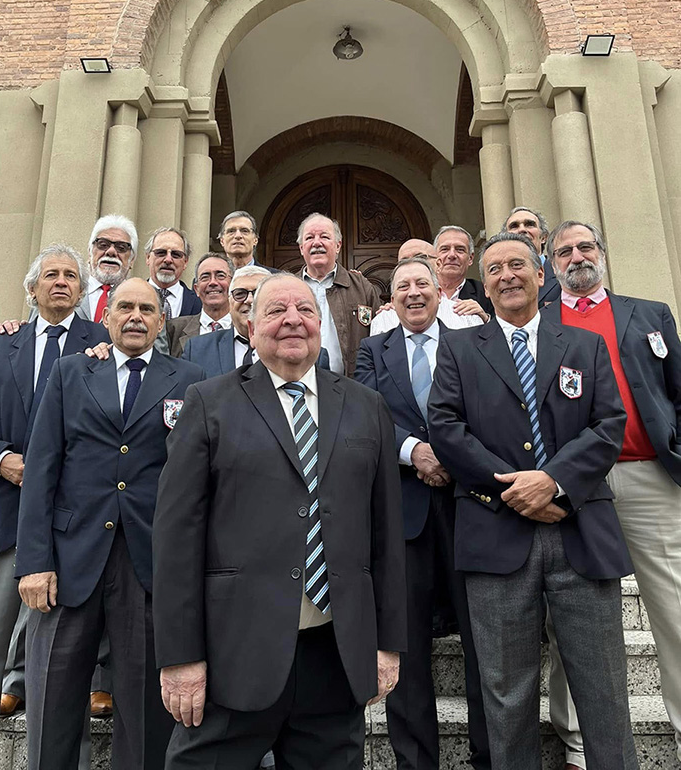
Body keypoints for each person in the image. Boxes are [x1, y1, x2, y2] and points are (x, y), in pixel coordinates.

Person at [153, 273, 407, 769]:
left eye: (305, 310)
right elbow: (176, 536)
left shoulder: (366, 406)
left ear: (319, 324)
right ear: (249, 325)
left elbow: (386, 535)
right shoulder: (209, 402)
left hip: (334, 655)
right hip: (234, 656)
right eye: (276, 311)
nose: (293, 320)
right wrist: (181, 657)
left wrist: (387, 644)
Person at [427, 231, 638, 770]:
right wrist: (515, 491)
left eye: (517, 264)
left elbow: (608, 424)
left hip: (581, 532)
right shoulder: (457, 347)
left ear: (541, 275)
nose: (506, 275)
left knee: (605, 691)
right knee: (506, 694)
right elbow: (446, 429)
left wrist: (554, 481)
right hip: (497, 537)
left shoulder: (584, 347)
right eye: (494, 268)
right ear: (485, 282)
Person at [14, 278, 204, 770]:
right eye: (125, 307)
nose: (136, 315)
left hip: (149, 564)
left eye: (147, 308)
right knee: (52, 703)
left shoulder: (190, 379)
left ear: (162, 321)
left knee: (145, 716)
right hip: (69, 562)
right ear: (107, 316)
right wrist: (34, 561)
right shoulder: (69, 372)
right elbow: (41, 469)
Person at [0, 245, 108, 770]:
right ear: (31, 289)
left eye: (71, 277)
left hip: (70, 526)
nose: (61, 283)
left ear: (83, 291)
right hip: (2, 516)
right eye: (50, 276)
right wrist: (5, 460)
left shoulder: (102, 344)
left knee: (63, 661)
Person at [543, 220, 681, 768]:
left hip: (649, 475)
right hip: (578, 486)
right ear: (550, 265)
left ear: (602, 251)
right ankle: (577, 744)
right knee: (571, 617)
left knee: (674, 609)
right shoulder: (540, 321)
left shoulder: (649, 314)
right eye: (564, 251)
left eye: (585, 246)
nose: (576, 256)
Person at [355, 257, 490, 770]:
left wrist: (453, 458)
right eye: (402, 286)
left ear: (441, 293)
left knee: (482, 640)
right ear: (390, 300)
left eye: (422, 284)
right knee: (405, 645)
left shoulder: (470, 346)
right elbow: (367, 416)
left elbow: (485, 412)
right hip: (402, 511)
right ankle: (415, 761)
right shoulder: (372, 351)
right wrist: (416, 452)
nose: (413, 293)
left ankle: (489, 753)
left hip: (470, 507)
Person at [181, 266, 332, 374]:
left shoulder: (312, 354)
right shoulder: (197, 349)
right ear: (229, 301)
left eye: (258, 293)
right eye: (240, 294)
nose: (250, 300)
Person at [297, 212, 381, 376]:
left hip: (351, 386)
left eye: (324, 237)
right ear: (301, 248)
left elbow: (381, 336)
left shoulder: (361, 287)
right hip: (298, 385)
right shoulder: (288, 287)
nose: (316, 243)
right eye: (309, 238)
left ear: (338, 246)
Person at [166, 253, 233, 356]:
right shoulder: (174, 329)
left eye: (220, 275)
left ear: (233, 284)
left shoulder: (245, 328)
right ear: (196, 289)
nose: (213, 282)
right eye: (205, 277)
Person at [369, 240, 438, 336]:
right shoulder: (385, 319)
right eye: (404, 261)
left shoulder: (461, 315)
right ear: (392, 299)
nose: (412, 264)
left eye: (420, 257)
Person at [80, 214, 138, 321]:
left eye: (121, 247)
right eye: (103, 244)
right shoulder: (70, 290)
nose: (111, 252)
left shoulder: (142, 298)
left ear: (132, 260)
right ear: (90, 252)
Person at [433, 226, 492, 328]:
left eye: (460, 250)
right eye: (445, 249)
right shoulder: (420, 291)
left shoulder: (486, 294)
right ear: (435, 256)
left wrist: (485, 319)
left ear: (470, 258)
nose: (452, 255)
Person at [503, 206, 560, 307]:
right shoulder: (498, 279)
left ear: (543, 237)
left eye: (529, 224)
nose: (522, 230)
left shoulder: (562, 273)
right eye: (514, 226)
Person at [145, 226, 201, 318]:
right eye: (161, 252)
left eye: (176, 254)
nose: (168, 260)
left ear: (185, 262)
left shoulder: (199, 303)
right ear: (148, 258)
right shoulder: (130, 296)